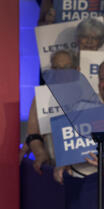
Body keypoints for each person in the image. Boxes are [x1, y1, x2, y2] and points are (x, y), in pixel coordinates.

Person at [20, 49, 78, 177]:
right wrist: (40, 153)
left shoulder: (90, 95)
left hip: (85, 168)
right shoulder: (41, 97)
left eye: (66, 68)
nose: (61, 73)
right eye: (56, 68)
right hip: (52, 167)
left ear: (76, 69)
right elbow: (33, 134)